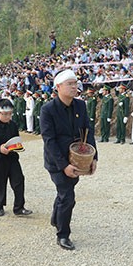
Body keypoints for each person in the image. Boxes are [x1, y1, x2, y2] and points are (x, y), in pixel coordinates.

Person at [40, 69, 97, 250]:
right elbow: (49, 141)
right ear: (58, 87)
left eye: (75, 83)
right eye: (70, 84)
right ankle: (63, 234)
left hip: (78, 159)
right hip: (57, 161)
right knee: (68, 196)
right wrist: (64, 165)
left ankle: (56, 217)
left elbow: (88, 131)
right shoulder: (48, 110)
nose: (74, 87)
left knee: (66, 190)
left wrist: (93, 157)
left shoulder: (80, 106)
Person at [0, 99, 33, 217]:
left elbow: (16, 139)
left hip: (13, 158)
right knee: (0, 182)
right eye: (5, 114)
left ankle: (19, 207)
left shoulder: (13, 125)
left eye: (10, 114)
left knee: (19, 181)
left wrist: (17, 146)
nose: (8, 116)